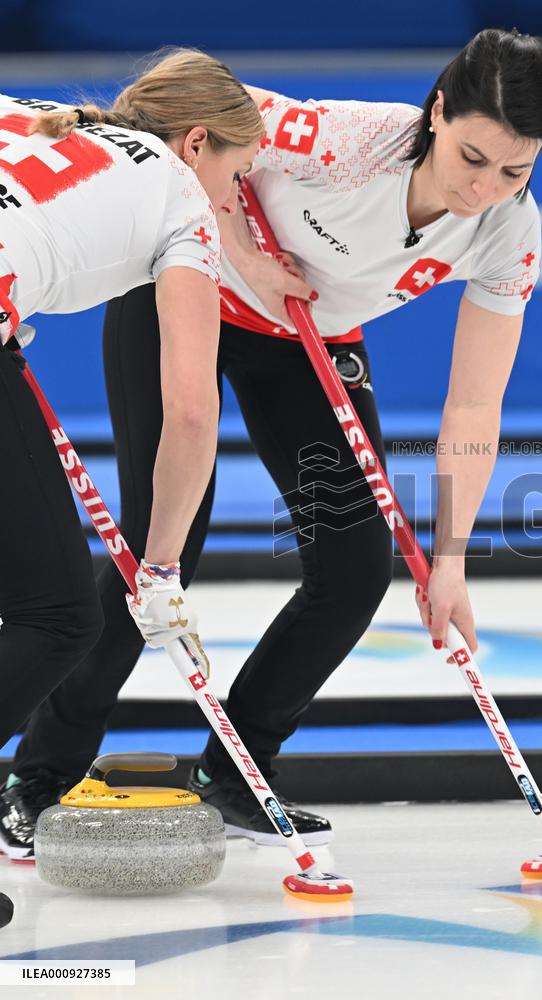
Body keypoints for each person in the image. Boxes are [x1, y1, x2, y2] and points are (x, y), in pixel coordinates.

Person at [4, 28, 542, 853]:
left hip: (308, 342)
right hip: (184, 293)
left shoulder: (508, 232)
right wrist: (245, 256)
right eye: (471, 158)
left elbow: (475, 404)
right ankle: (40, 775)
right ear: (436, 113)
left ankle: (236, 772)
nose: (484, 189)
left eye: (515, 170)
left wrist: (451, 558)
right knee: (162, 547)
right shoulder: (348, 140)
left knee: (355, 567)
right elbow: (190, 127)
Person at [0, 49, 263, 861]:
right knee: (60, 618)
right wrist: (158, 570)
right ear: (195, 145)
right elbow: (189, 412)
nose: (233, 199)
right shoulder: (185, 205)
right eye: (237, 174)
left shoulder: (26, 113)